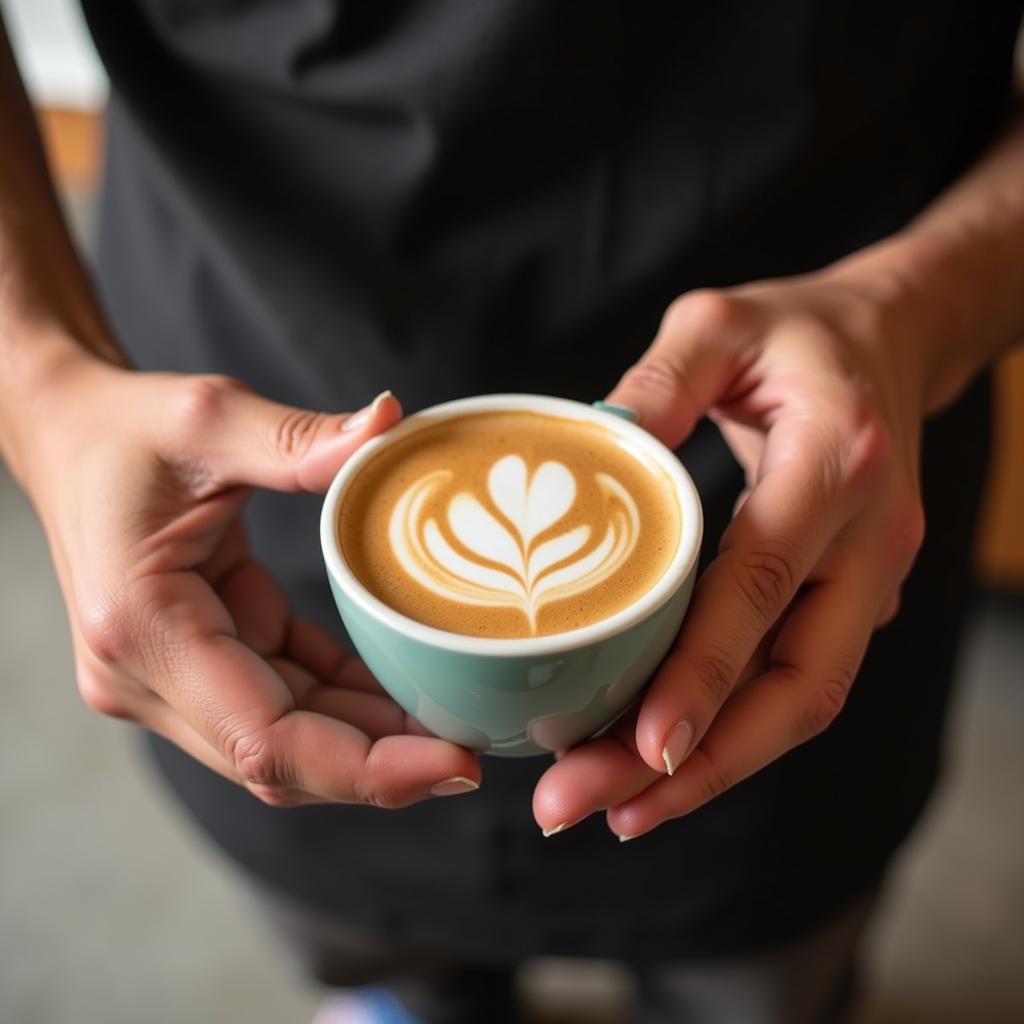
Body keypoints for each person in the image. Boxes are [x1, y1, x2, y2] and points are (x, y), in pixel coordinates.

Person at [2, 3, 1023, 1022]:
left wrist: (912, 307)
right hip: (253, 488)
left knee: (761, 976)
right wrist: (41, 379)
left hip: (809, 487)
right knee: (366, 947)